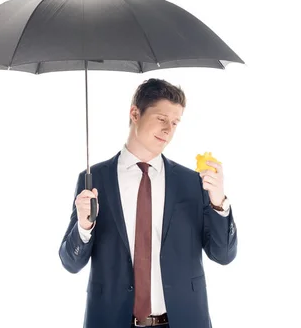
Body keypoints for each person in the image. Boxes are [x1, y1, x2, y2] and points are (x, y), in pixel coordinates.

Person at [59, 78, 238, 328]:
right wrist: (83, 227)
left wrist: (218, 202)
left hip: (183, 321)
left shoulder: (191, 183)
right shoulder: (94, 180)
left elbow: (223, 255)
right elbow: (70, 262)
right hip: (112, 321)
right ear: (135, 113)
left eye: (175, 123)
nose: (168, 130)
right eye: (162, 118)